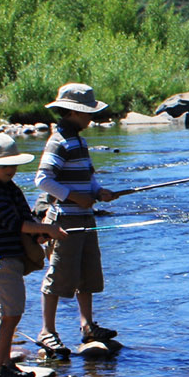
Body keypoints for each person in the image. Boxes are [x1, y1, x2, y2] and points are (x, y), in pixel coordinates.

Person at [35, 82, 121, 356]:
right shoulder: (59, 141)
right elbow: (43, 180)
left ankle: (87, 326)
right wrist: (73, 197)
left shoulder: (79, 141)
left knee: (88, 274)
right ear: (72, 113)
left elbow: (88, 177)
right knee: (58, 276)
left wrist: (98, 192)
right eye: (87, 113)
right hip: (65, 221)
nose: (91, 118)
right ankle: (47, 331)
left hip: (85, 218)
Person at [0, 138, 66, 377]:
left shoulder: (11, 189)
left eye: (12, 164)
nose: (10, 169)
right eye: (4, 165)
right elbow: (16, 225)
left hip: (11, 261)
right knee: (9, 316)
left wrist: (41, 233)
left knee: (12, 315)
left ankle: (4, 365)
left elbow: (26, 217)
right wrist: (49, 229)